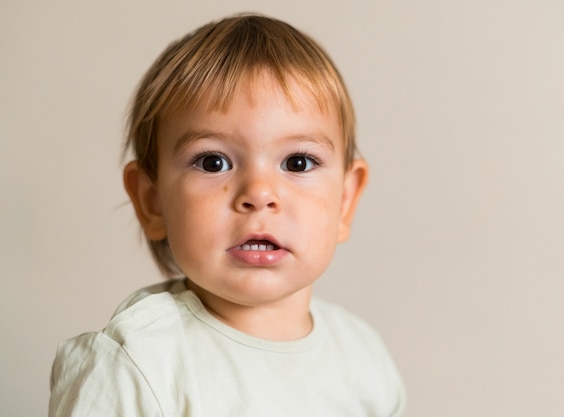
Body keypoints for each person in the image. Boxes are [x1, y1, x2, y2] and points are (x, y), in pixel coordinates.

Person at [48, 13, 406, 416]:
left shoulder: (363, 360)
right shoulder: (137, 364)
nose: (259, 194)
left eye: (299, 163)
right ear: (152, 201)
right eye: (213, 162)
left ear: (345, 199)